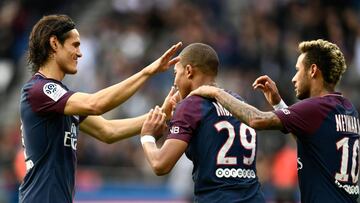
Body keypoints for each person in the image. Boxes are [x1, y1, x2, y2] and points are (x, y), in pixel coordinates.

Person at [19, 14, 181, 203]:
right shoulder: (41, 89)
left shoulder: (61, 99)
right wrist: (147, 72)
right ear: (54, 43)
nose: (79, 53)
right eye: (75, 45)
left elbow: (108, 131)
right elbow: (96, 104)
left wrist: (163, 113)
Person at [190, 39, 360, 202]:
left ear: (313, 70)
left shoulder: (316, 107)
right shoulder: (347, 108)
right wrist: (278, 104)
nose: (294, 78)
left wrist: (216, 92)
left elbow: (257, 120)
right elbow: (308, 140)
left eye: (298, 70)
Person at [140, 43, 265, 203]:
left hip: (216, 198)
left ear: (188, 71)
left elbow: (160, 164)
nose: (175, 81)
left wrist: (147, 136)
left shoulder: (191, 105)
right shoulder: (239, 102)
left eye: (176, 73)